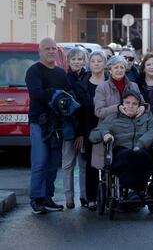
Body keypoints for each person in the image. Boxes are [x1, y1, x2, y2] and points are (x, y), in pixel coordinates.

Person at [25, 37, 71, 214]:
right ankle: (36, 199)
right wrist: (56, 94)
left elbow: (69, 94)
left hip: (57, 124)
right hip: (39, 123)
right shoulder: (34, 71)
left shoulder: (60, 73)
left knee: (53, 164)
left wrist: (60, 97)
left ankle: (47, 198)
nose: (51, 51)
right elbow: (37, 94)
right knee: (40, 162)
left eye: (53, 48)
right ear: (40, 51)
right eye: (47, 49)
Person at [89, 90, 153, 197]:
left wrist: (140, 144)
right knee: (126, 155)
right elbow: (93, 135)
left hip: (142, 150)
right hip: (121, 150)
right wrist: (105, 133)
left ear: (139, 106)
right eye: (127, 103)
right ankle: (131, 189)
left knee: (141, 155)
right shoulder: (113, 117)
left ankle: (136, 190)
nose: (130, 106)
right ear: (122, 103)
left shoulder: (147, 117)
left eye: (134, 104)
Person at [73, 51, 107, 211]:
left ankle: (109, 196)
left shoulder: (110, 82)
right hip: (88, 129)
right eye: (93, 61)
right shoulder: (82, 84)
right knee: (91, 165)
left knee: (110, 163)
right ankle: (91, 198)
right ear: (89, 64)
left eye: (99, 61)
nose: (96, 63)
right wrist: (79, 133)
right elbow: (78, 112)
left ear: (104, 64)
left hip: (109, 128)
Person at [62, 48, 88, 209]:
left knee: (84, 164)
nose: (77, 62)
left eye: (80, 59)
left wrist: (82, 133)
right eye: (74, 59)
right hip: (68, 129)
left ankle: (84, 196)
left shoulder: (88, 77)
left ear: (84, 61)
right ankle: (69, 198)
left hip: (84, 129)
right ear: (68, 61)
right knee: (68, 164)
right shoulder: (64, 79)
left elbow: (87, 108)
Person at [94, 55, 141, 121]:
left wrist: (143, 107)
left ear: (125, 70)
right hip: (109, 127)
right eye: (116, 67)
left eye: (122, 67)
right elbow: (99, 112)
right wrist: (117, 108)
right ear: (110, 70)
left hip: (131, 126)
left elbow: (142, 103)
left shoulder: (134, 86)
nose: (119, 70)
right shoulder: (102, 88)